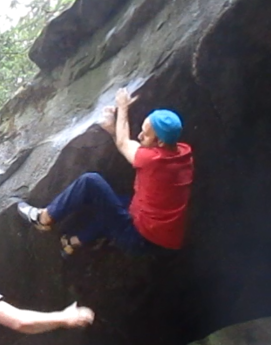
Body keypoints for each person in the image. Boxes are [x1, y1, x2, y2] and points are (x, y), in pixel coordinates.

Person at [17, 87, 193, 256]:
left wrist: (123, 107)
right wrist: (112, 129)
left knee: (91, 182)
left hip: (139, 239)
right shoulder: (184, 153)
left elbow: (126, 144)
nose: (139, 136)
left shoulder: (153, 161)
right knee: (113, 203)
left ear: (160, 143)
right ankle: (73, 243)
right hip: (164, 239)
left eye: (145, 135)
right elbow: (130, 148)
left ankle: (44, 218)